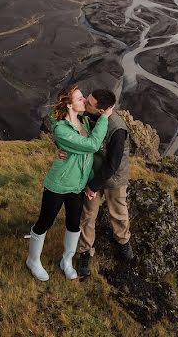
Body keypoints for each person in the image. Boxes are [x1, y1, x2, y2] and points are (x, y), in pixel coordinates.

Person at [26, 84, 114, 282]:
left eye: (83, 97)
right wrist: (105, 118)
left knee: (74, 225)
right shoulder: (62, 129)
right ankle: (33, 260)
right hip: (58, 184)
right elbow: (92, 145)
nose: (84, 100)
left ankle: (66, 261)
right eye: (79, 98)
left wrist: (91, 183)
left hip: (77, 185)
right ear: (69, 105)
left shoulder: (84, 120)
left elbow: (85, 156)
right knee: (44, 222)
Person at [56, 89, 132, 278]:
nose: (85, 103)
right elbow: (68, 131)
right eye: (86, 99)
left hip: (114, 177)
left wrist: (93, 187)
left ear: (101, 110)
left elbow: (113, 164)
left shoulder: (117, 129)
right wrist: (61, 149)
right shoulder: (87, 116)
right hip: (90, 172)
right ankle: (85, 252)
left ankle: (123, 241)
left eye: (89, 103)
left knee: (119, 211)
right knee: (87, 214)